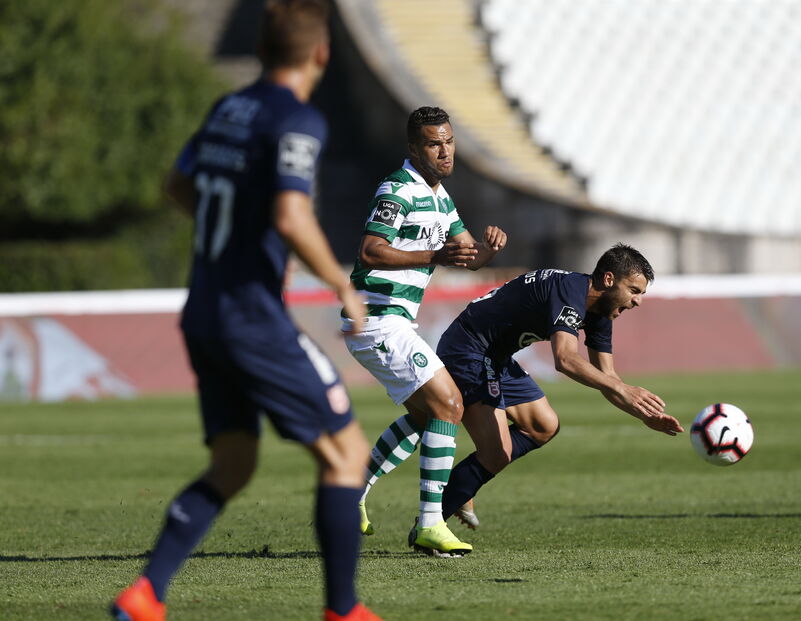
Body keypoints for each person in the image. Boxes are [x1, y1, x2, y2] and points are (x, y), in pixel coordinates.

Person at [110, 2, 380, 620]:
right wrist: (342, 283)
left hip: (202, 309)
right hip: (252, 317)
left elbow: (179, 186)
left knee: (233, 464)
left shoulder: (227, 108)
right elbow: (290, 216)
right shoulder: (298, 119)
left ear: (261, 51)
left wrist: (229, 238)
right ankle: (344, 611)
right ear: (321, 54)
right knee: (346, 453)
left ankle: (145, 594)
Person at [343, 106, 507, 557]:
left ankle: (352, 493)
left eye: (449, 141)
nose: (445, 151)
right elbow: (371, 251)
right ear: (414, 149)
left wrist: (488, 252)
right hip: (375, 316)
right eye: (435, 144)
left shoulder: (441, 197)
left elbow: (464, 254)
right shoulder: (398, 190)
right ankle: (430, 524)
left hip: (393, 320)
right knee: (448, 403)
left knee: (426, 416)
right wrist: (433, 256)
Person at [434, 243, 684, 525]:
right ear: (609, 279)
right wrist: (624, 390)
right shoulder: (570, 289)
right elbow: (565, 359)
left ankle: (463, 483)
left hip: (496, 357)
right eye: (634, 290)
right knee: (496, 453)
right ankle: (431, 524)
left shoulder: (601, 311)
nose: (638, 301)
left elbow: (609, 379)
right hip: (467, 349)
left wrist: (643, 414)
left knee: (543, 425)